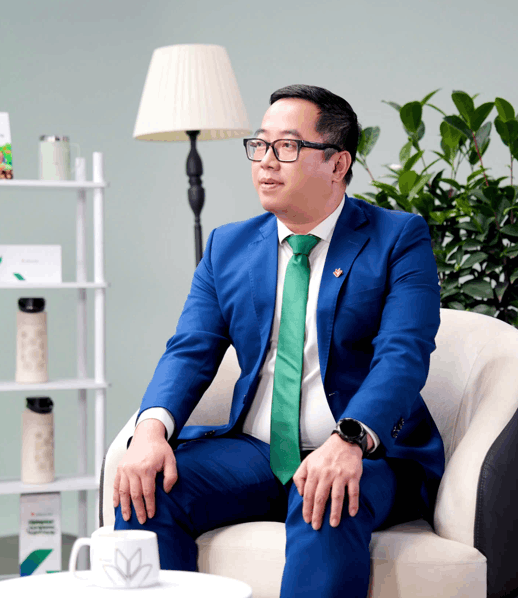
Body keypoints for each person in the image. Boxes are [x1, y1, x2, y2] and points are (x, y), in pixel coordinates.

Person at [113, 84, 445, 598]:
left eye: (287, 146)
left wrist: (351, 439)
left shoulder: (397, 237)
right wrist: (150, 430)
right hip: (255, 451)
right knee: (148, 488)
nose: (266, 161)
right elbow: (190, 349)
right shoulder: (229, 245)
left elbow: (403, 354)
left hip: (362, 452)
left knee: (328, 498)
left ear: (337, 163)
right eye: (259, 144)